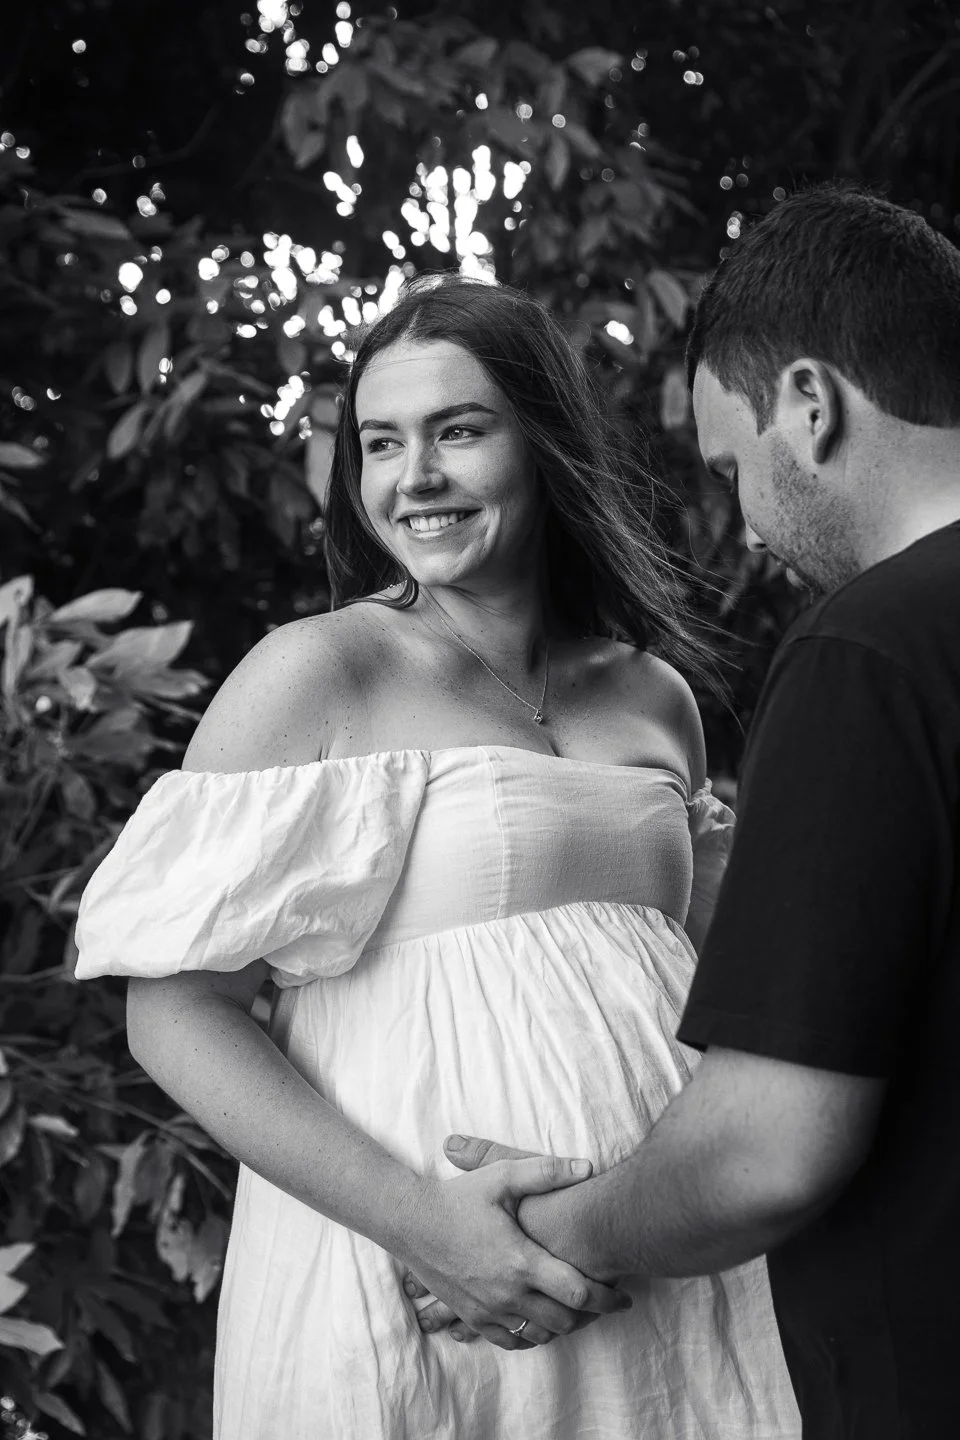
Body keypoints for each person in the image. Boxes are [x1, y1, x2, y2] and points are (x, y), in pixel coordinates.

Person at [74, 275, 799, 1438]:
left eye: (458, 431)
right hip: (420, 1279)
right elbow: (174, 1013)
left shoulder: (654, 697)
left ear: (545, 444)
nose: (413, 478)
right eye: (380, 443)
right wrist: (427, 1226)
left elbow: (689, 987)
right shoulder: (318, 673)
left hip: (665, 1269)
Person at [428, 185, 960, 1440]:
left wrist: (550, 1238)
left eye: (734, 467)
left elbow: (770, 1147)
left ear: (811, 407)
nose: (748, 522)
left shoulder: (873, 653)